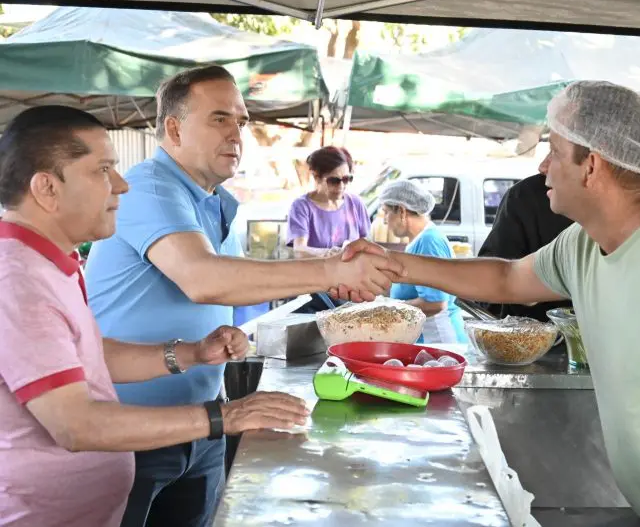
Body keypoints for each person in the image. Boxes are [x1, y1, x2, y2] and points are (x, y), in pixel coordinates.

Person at [335, 81, 640, 527]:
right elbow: (506, 276)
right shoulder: (582, 244)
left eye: (554, 151)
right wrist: (394, 263)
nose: (542, 166)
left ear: (592, 166)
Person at [84, 66, 402, 527]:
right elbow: (203, 278)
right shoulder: (150, 185)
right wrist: (331, 270)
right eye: (219, 119)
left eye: (241, 121)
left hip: (203, 418)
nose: (236, 133)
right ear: (173, 128)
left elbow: (230, 284)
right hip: (133, 427)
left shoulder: (215, 199)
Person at [0, 106, 310, 527]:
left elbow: (85, 357)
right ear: (47, 188)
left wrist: (190, 354)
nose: (121, 185)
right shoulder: (17, 281)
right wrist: (226, 416)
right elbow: (75, 425)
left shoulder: (52, 264)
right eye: (103, 171)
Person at [479, 167, 640, 323]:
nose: (543, 166)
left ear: (593, 161)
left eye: (557, 150)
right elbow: (502, 282)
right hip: (536, 356)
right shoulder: (529, 199)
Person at [379, 179, 468, 344]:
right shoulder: (418, 240)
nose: (385, 220)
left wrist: (389, 310)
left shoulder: (429, 241)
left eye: (386, 212)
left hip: (439, 340)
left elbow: (435, 303)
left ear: (402, 211)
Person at [287, 146, 370, 257]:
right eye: (334, 181)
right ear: (316, 177)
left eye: (346, 179)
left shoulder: (355, 204)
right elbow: (300, 250)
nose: (341, 186)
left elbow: (367, 243)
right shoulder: (302, 207)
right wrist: (331, 254)